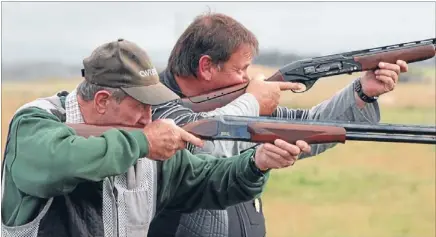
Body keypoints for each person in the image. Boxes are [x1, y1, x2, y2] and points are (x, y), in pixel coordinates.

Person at [0, 39, 312, 237]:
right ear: (103, 101)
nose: (149, 118)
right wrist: (143, 144)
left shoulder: (142, 145)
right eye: (140, 106)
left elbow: (210, 178)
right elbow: (61, 161)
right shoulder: (38, 121)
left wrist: (256, 163)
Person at [148, 13, 408, 237]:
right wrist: (253, 102)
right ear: (206, 67)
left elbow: (306, 126)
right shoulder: (153, 108)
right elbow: (198, 144)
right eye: (241, 69)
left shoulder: (235, 105)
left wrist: (363, 93)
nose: (247, 79)